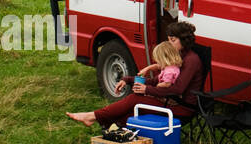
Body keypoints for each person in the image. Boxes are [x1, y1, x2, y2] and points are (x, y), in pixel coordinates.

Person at [67, 22, 204, 128]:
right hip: (169, 102)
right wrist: (128, 80)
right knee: (131, 114)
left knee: (135, 100)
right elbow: (156, 80)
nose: (169, 44)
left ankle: (93, 117)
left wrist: (147, 90)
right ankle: (109, 137)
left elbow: (177, 89)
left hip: (182, 109)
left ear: (184, 40)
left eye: (172, 40)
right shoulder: (176, 58)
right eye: (168, 40)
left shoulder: (191, 60)